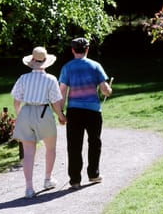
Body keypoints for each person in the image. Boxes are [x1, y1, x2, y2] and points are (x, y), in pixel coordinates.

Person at [11, 47, 66, 198]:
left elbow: (16, 101)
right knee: (50, 148)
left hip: (26, 112)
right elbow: (55, 102)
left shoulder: (23, 78)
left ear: (33, 61)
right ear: (45, 62)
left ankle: (29, 188)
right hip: (43, 112)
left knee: (28, 153)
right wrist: (61, 116)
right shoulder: (51, 79)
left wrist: (19, 116)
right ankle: (47, 179)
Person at [59, 37, 112, 189]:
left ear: (73, 50)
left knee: (74, 145)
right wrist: (109, 90)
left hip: (74, 111)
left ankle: (75, 179)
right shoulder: (96, 66)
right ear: (87, 49)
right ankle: (94, 174)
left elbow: (62, 91)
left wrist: (60, 113)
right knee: (94, 142)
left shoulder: (67, 67)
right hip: (93, 111)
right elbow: (104, 89)